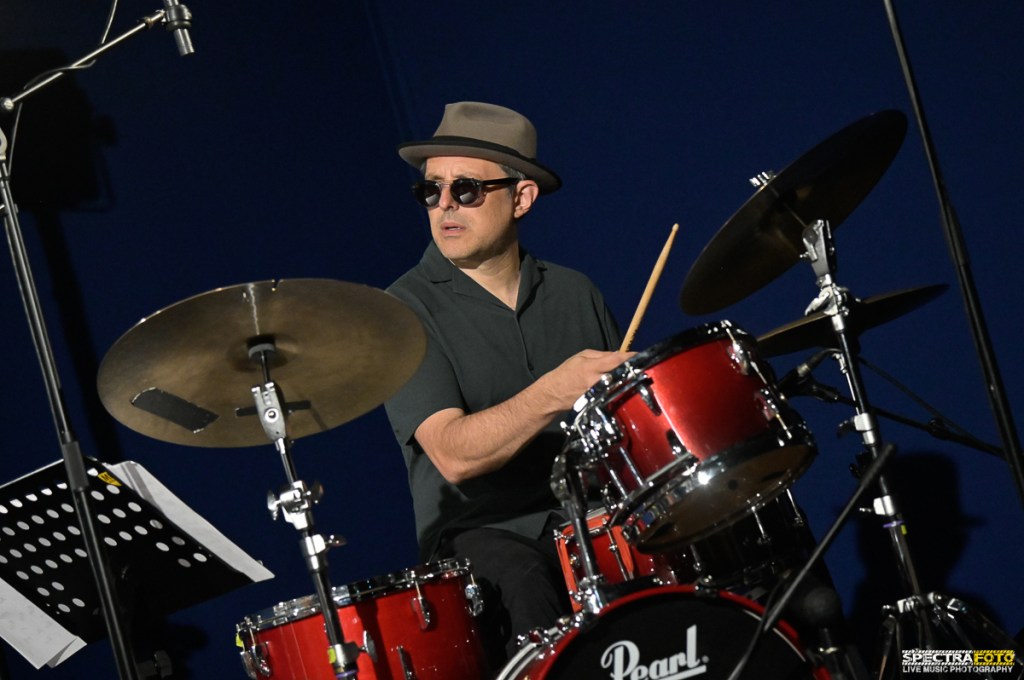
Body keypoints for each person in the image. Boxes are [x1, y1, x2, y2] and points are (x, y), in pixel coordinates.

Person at [383, 101, 632, 667]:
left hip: (588, 516)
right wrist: (554, 390)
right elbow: (453, 455)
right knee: (524, 580)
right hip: (485, 533)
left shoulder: (575, 291)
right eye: (431, 191)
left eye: (466, 189)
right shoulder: (403, 310)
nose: (445, 205)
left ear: (521, 198)